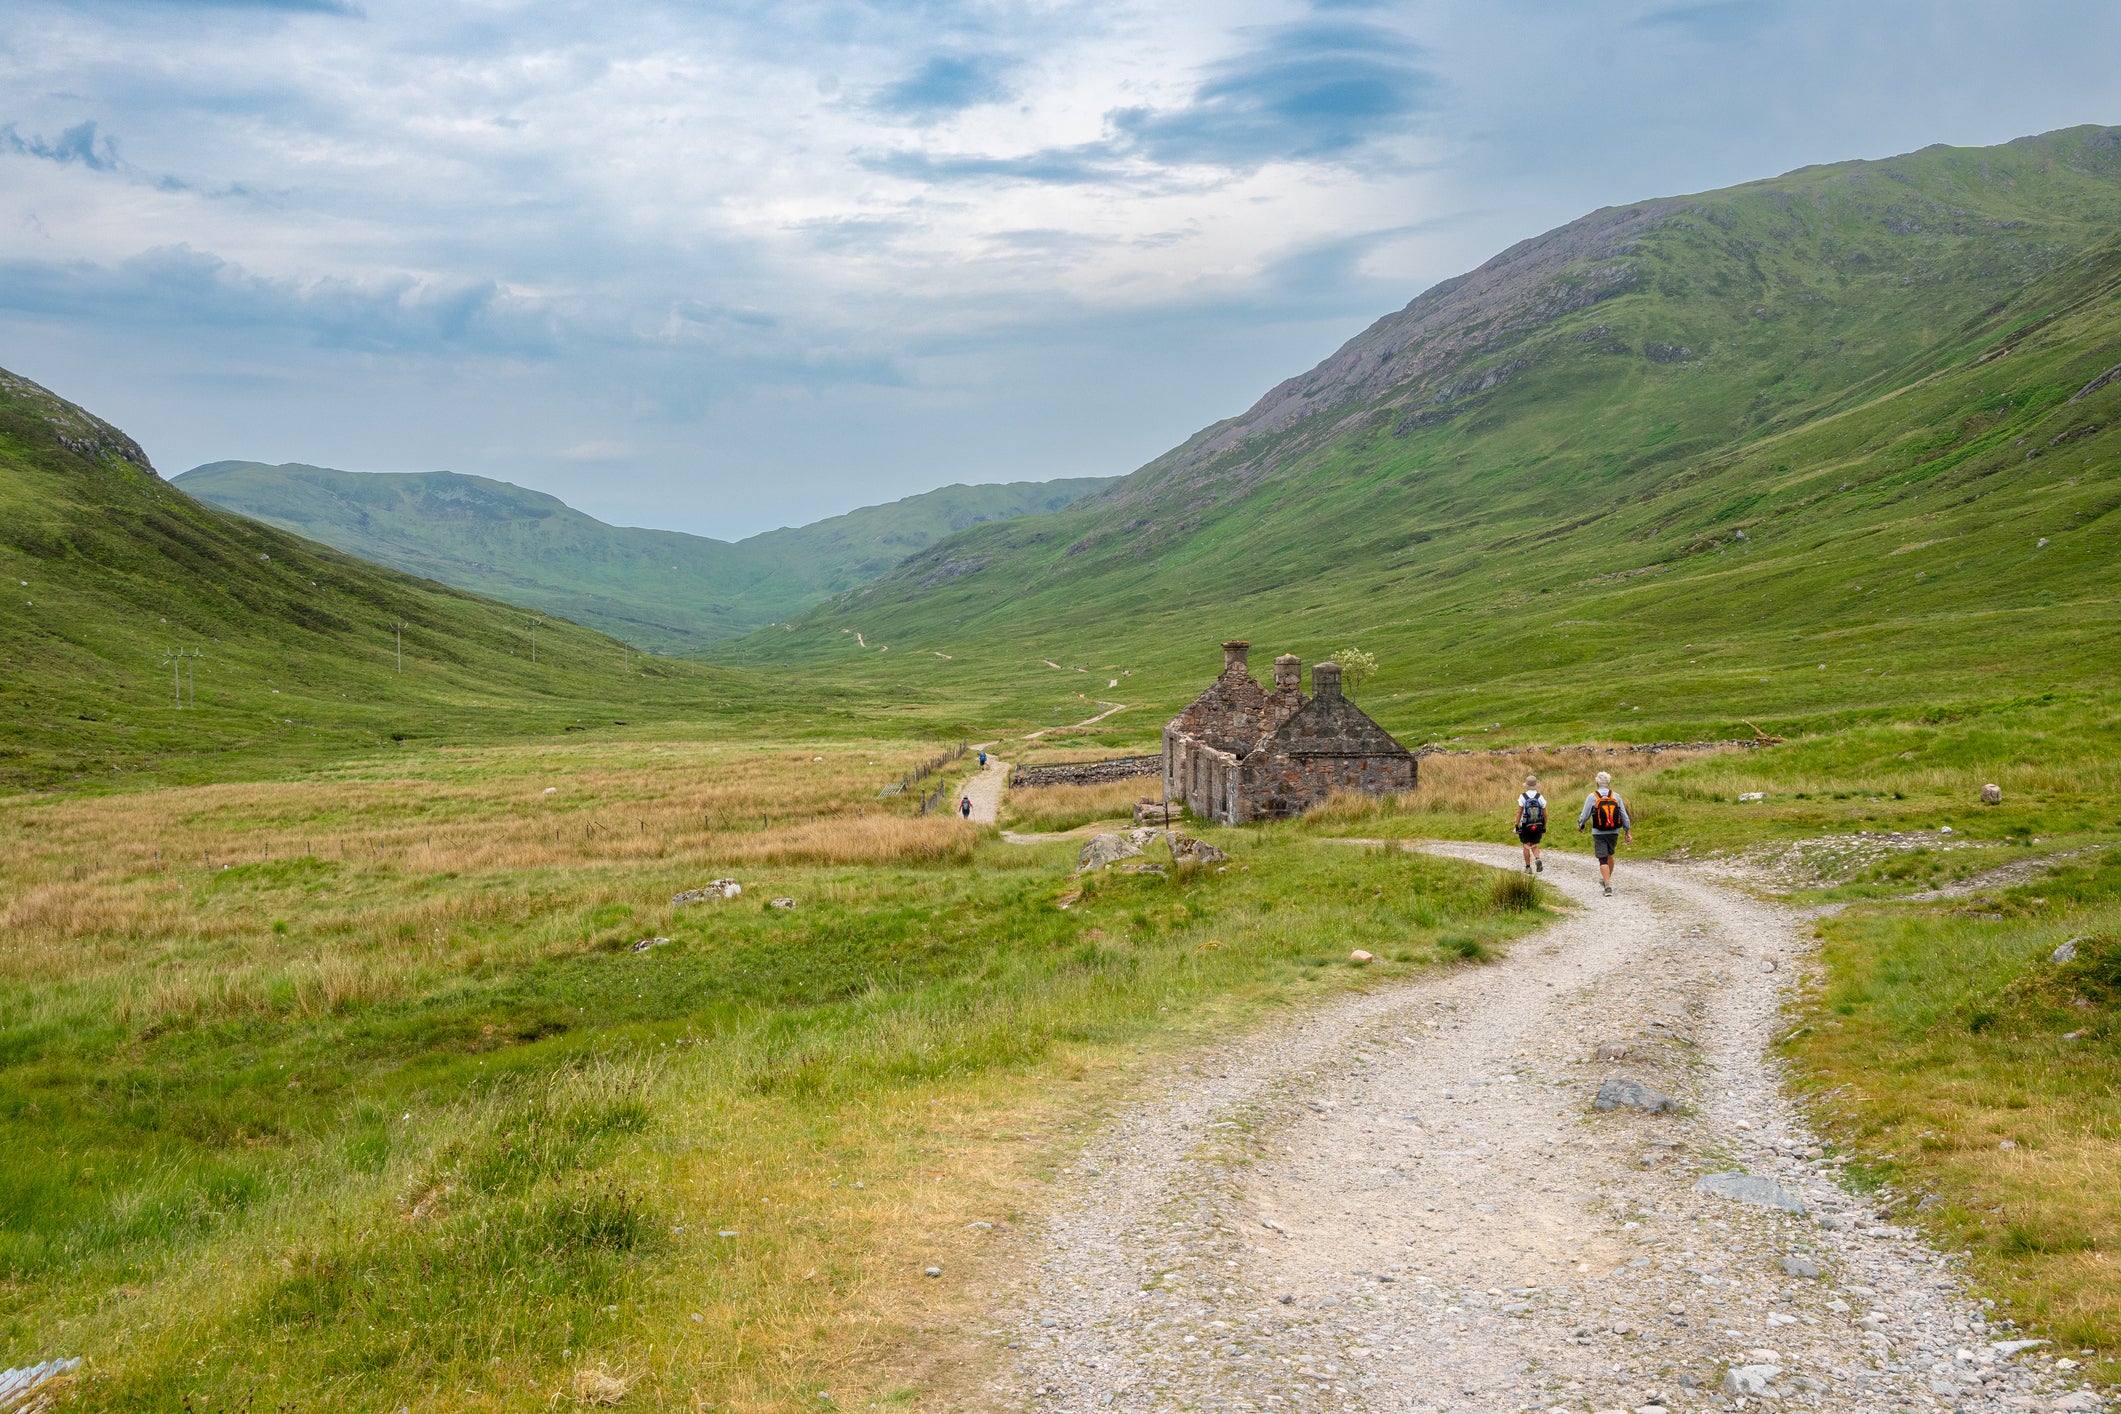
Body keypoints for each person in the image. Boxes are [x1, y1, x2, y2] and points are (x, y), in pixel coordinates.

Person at [1576, 770, 1632, 896]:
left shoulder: (1592, 797)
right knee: (1610, 855)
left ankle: (1607, 886)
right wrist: (1627, 831)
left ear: (1597, 782)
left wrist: (1581, 825)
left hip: (1598, 832)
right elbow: (1624, 815)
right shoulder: (1615, 796)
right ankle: (1607, 879)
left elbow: (1585, 815)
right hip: (1614, 831)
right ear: (1609, 782)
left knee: (1602, 859)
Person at [1513, 774, 1548, 874]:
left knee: (1526, 845)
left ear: (1527, 785)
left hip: (1525, 825)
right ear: (1536, 785)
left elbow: (1519, 812)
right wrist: (1544, 827)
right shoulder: (1540, 797)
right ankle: (1537, 858)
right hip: (1538, 824)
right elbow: (1545, 814)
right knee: (1535, 844)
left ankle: (1528, 867)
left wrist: (1516, 825)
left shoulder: (1523, 797)